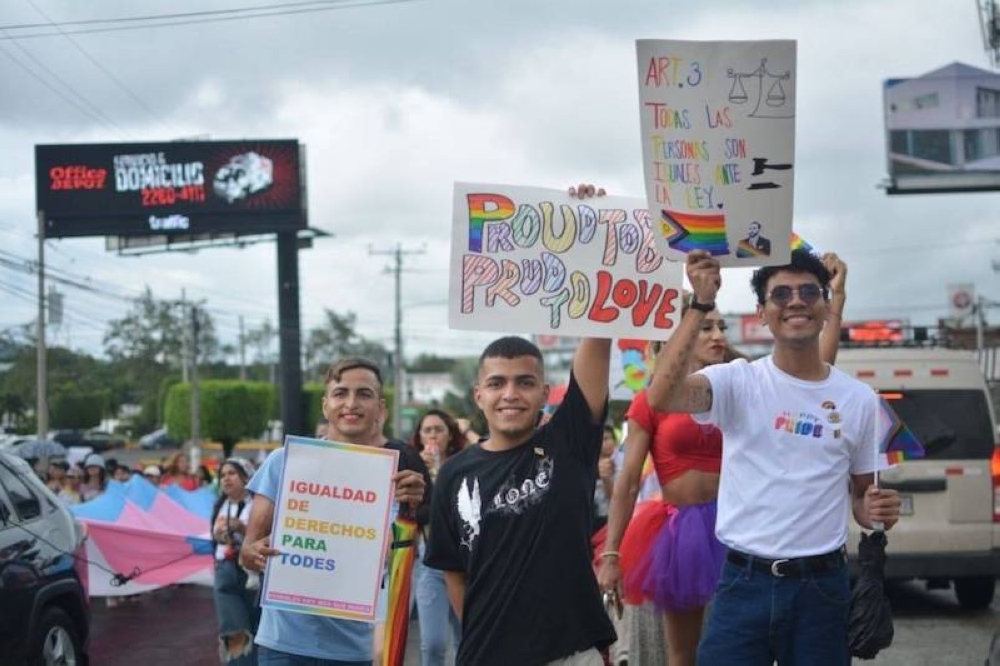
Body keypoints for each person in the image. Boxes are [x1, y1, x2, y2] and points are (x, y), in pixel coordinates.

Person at [645, 249, 901, 665]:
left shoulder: (862, 400)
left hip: (822, 589)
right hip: (743, 583)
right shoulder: (738, 381)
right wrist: (701, 303)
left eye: (808, 291)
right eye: (780, 294)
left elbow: (863, 503)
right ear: (761, 312)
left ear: (825, 305)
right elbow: (662, 396)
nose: (796, 301)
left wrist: (876, 509)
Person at [597, 261, 847, 666]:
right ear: (680, 334)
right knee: (686, 655)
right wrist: (611, 554)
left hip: (749, 526)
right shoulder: (652, 401)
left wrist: (837, 299)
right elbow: (627, 483)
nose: (715, 334)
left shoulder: (744, 384)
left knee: (757, 647)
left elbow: (817, 375)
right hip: (684, 536)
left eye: (720, 327)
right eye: (704, 326)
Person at [425, 334, 617, 666]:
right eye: (497, 383)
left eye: (525, 383)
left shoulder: (570, 442)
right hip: (487, 655)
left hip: (571, 653)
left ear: (544, 393)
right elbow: (454, 573)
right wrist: (486, 631)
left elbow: (598, 339)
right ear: (479, 395)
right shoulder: (453, 474)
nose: (510, 394)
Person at [239, 357, 426, 666]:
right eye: (341, 393)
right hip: (284, 645)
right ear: (326, 405)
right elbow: (247, 550)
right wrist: (254, 553)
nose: (351, 403)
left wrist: (411, 513)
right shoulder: (283, 462)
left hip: (354, 650)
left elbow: (398, 567)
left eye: (363, 394)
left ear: (381, 409)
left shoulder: (395, 480)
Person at [410, 410, 465, 666]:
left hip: (465, 563)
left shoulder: (464, 464)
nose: (433, 435)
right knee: (432, 644)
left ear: (450, 434)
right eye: (427, 430)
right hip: (430, 564)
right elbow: (411, 514)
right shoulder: (414, 469)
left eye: (438, 429)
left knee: (466, 637)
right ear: (419, 437)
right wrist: (427, 476)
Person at [212, 457, 259, 665]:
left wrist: (240, 527)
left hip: (253, 571)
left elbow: (263, 535)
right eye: (222, 475)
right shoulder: (221, 505)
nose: (226, 479)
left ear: (245, 476)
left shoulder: (259, 504)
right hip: (226, 570)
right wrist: (222, 534)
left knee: (255, 625)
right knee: (234, 627)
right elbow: (216, 537)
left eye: (232, 473)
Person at [593, 425, 617, 534]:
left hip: (611, 518)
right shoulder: (589, 465)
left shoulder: (621, 463)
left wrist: (606, 478)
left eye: (610, 438)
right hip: (594, 518)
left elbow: (615, 497)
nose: (608, 443)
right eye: (603, 439)